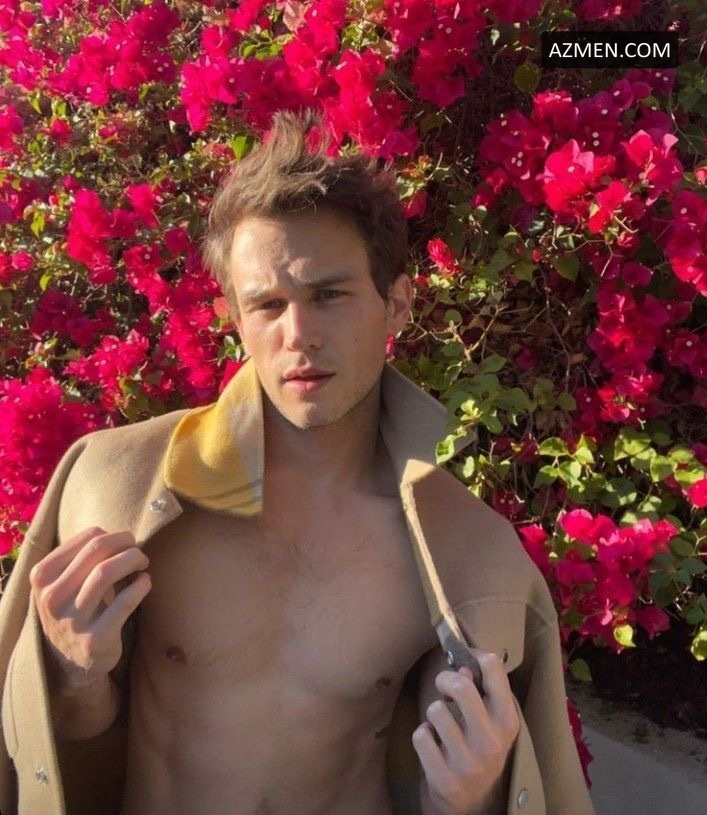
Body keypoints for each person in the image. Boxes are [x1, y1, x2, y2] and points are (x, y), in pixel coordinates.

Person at [0, 111, 594, 815]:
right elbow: (63, 744)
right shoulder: (115, 487)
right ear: (235, 317)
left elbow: (520, 786)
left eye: (328, 295)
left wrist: (477, 795)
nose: (299, 335)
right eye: (267, 304)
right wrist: (70, 674)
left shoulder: (466, 556)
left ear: (397, 303)